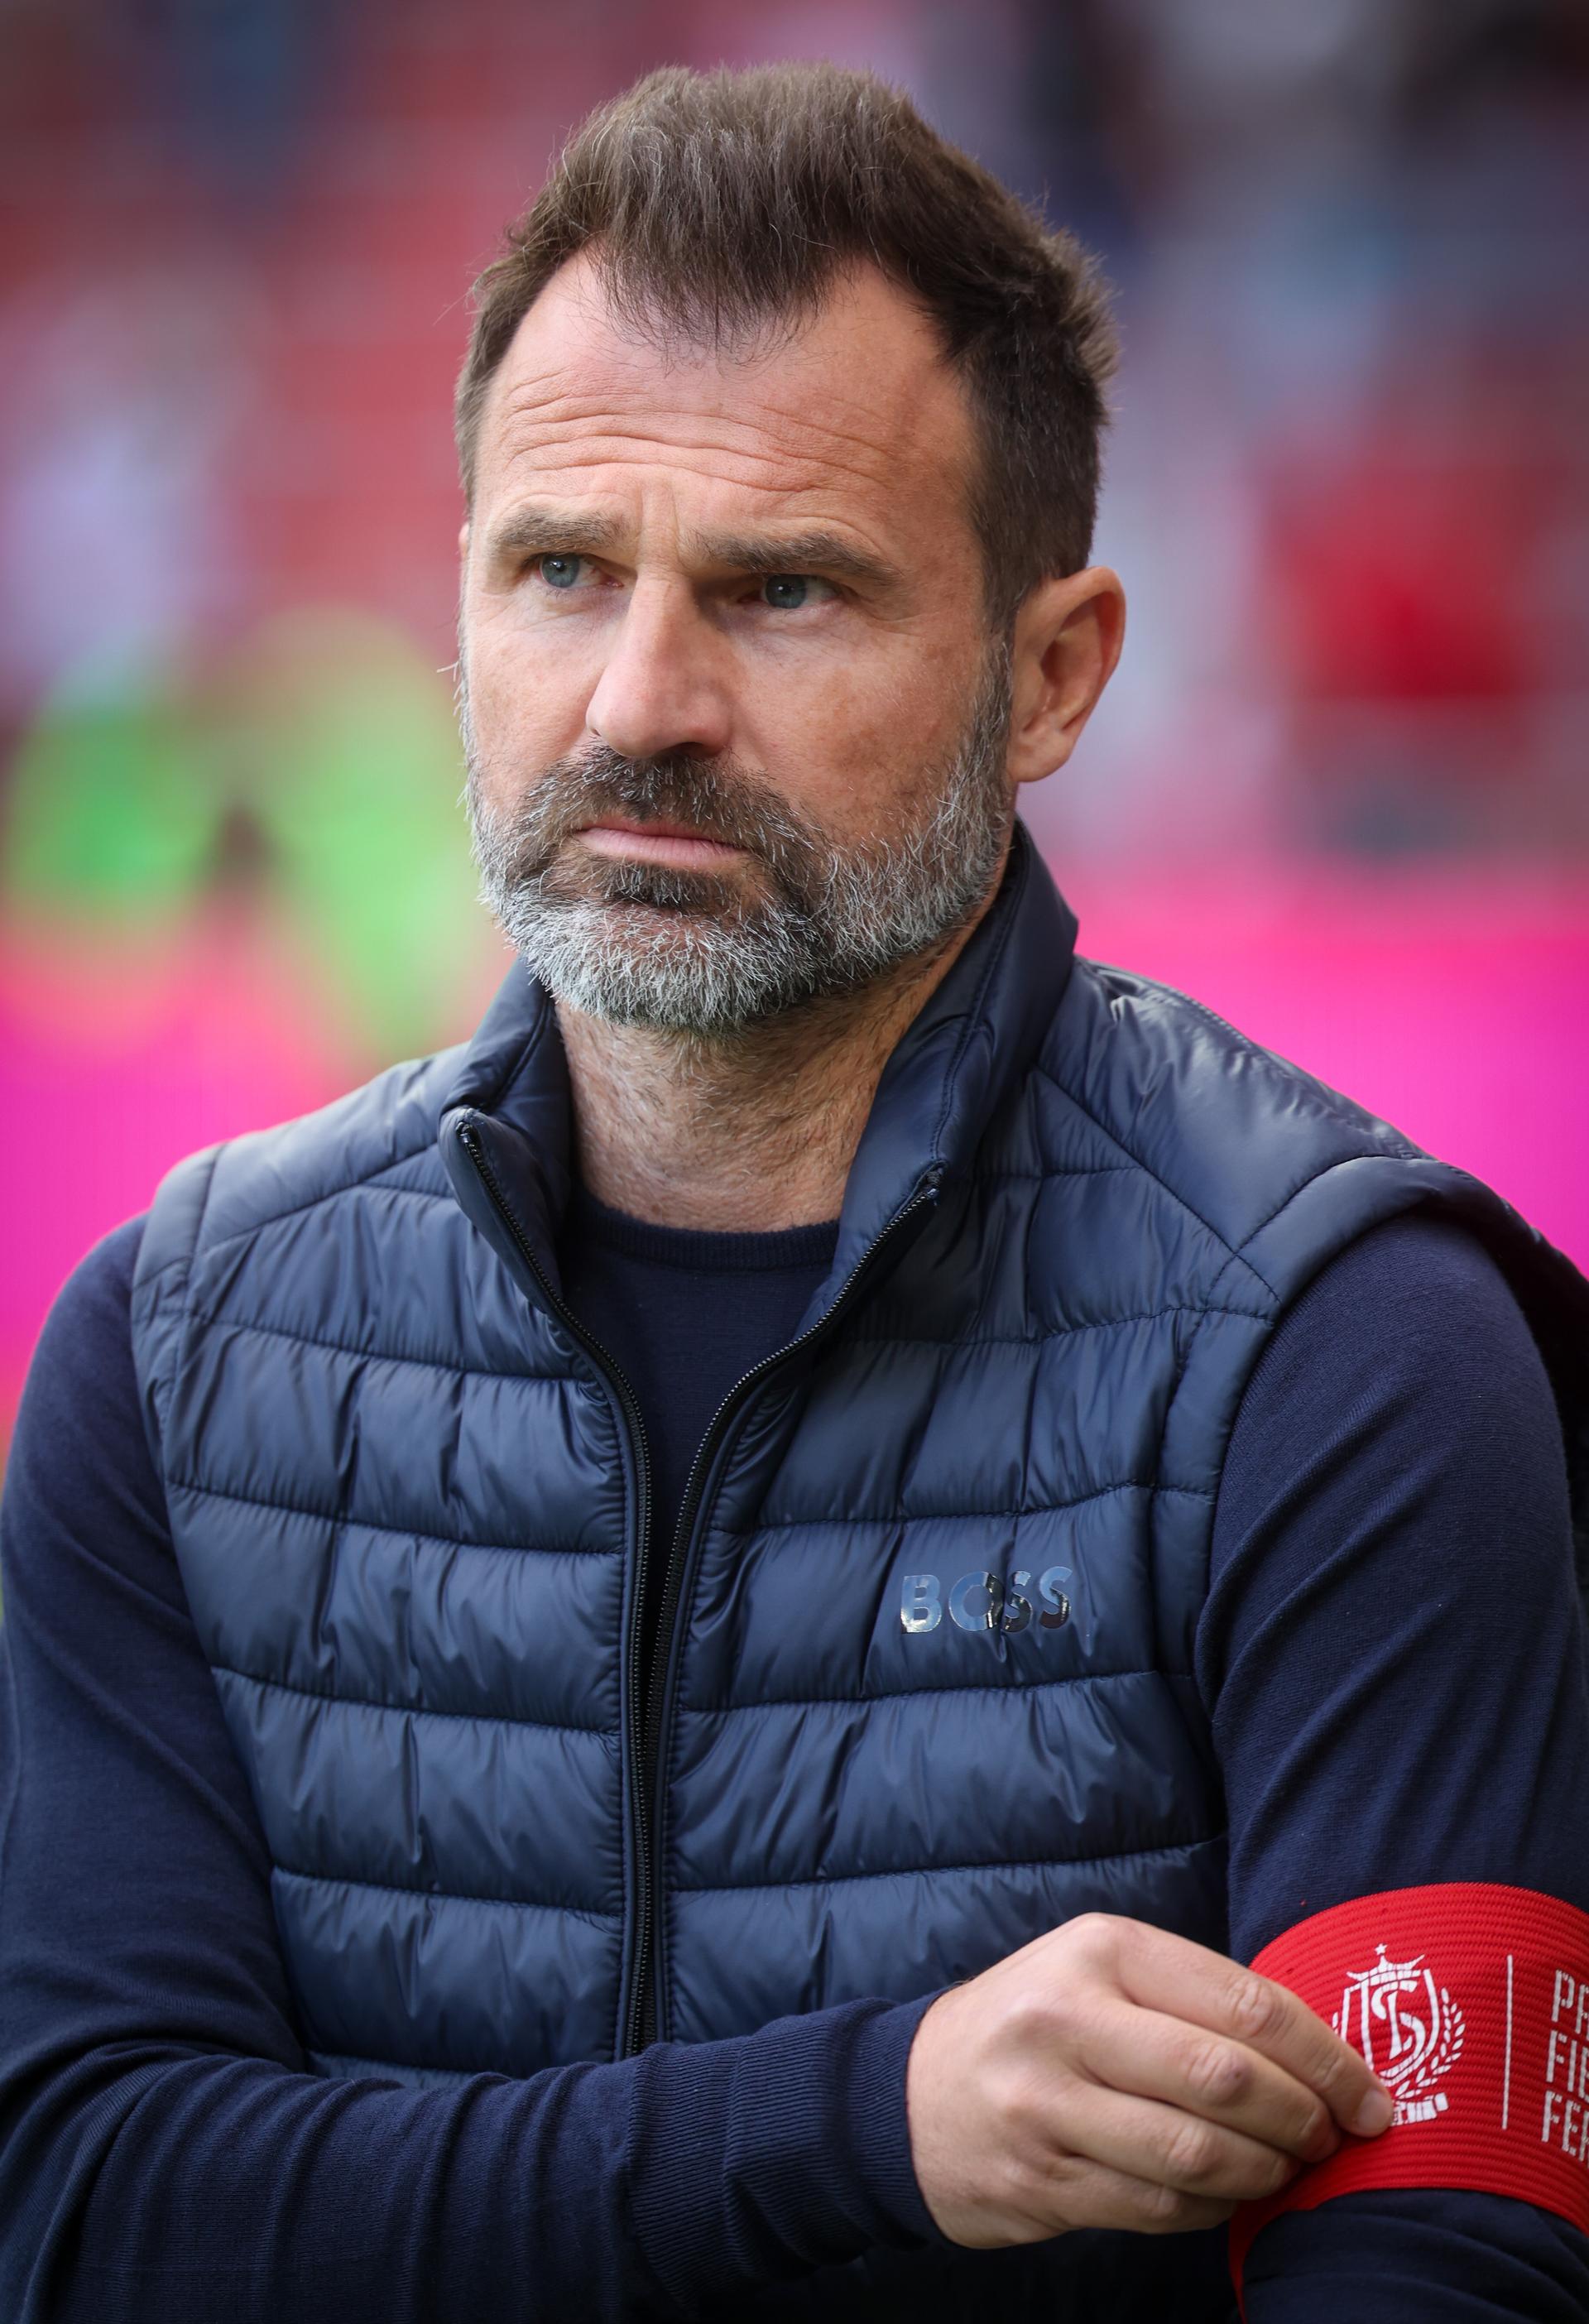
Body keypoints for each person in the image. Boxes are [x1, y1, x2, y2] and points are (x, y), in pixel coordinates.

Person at [2, 60, 1587, 2324]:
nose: (642, 700)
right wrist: (869, 2124)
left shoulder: (1356, 1352)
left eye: (784, 592)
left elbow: (1449, 2269)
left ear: (1052, 677)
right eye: (561, 571)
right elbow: (91, 2216)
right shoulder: (167, 1355)